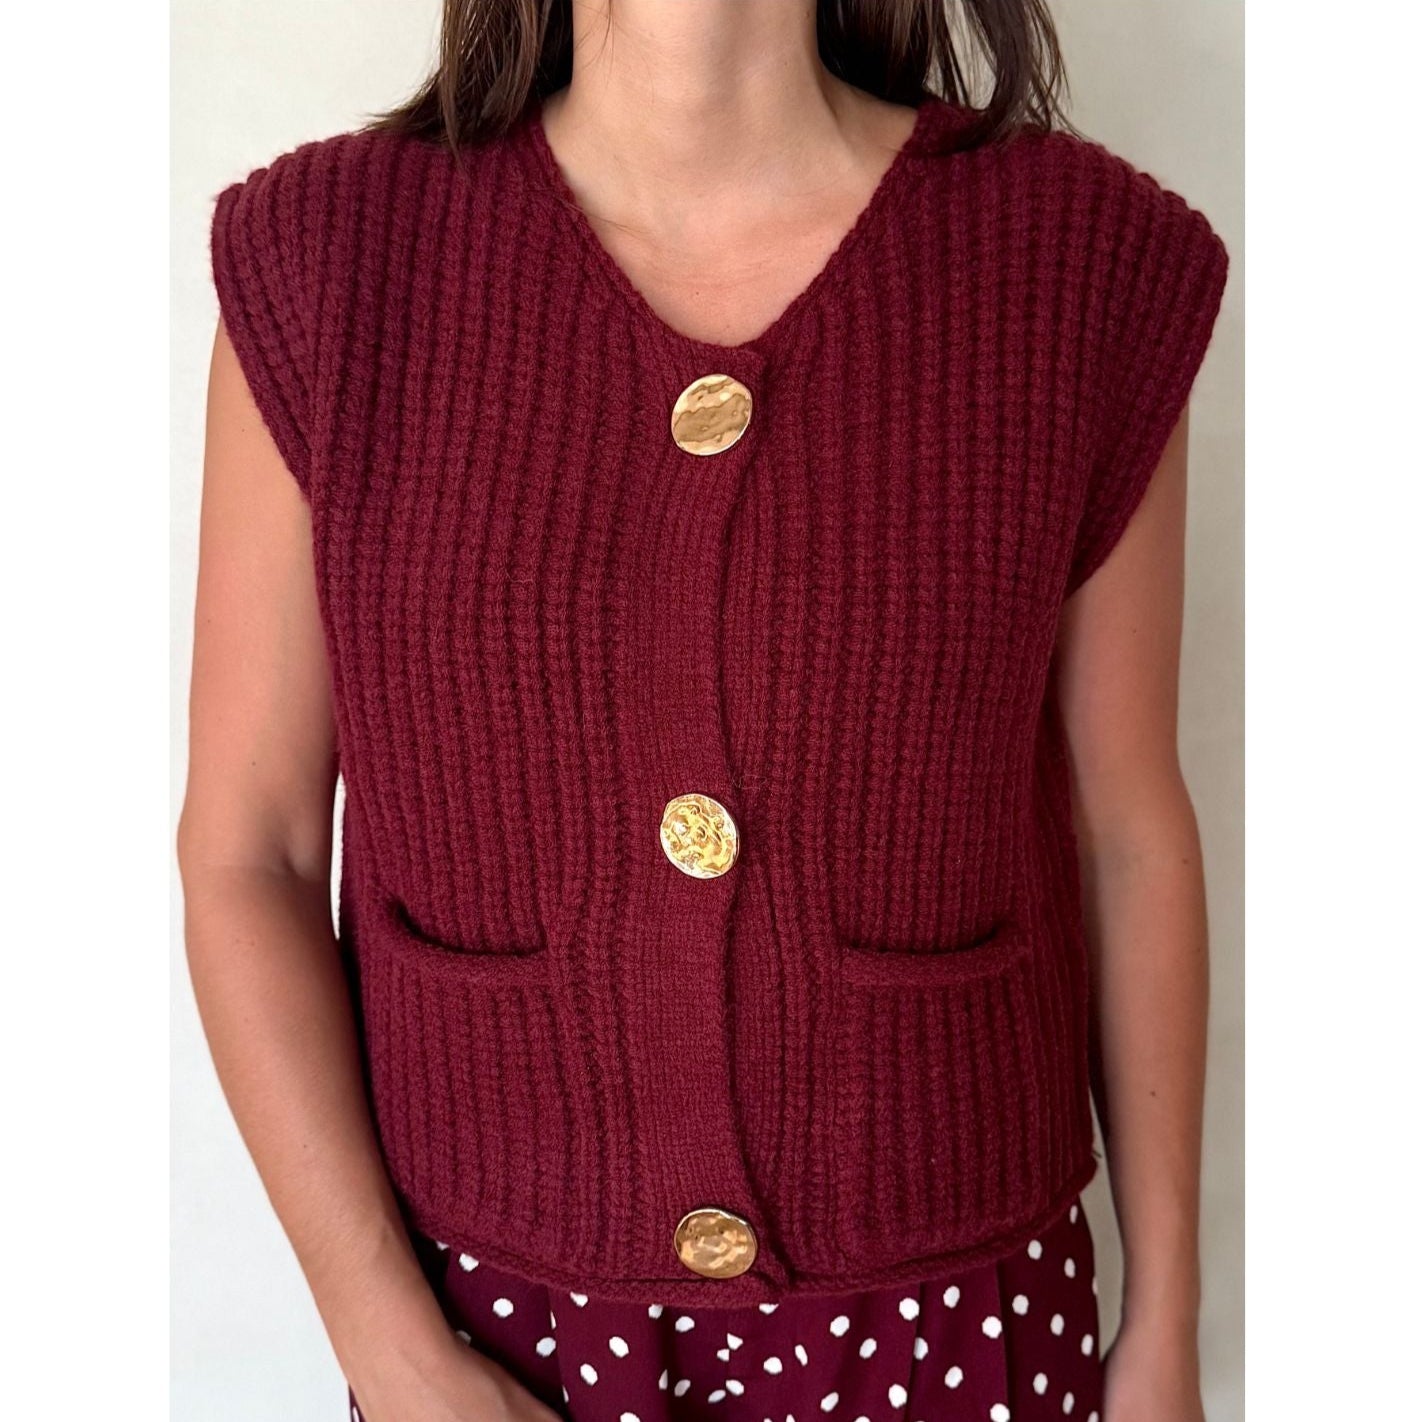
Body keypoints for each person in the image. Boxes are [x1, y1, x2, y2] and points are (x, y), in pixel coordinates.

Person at [179, 1, 1230, 1418]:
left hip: (960, 1315)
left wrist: (1166, 1318)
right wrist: (395, 1354)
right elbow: (249, 851)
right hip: (491, 1338)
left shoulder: (1079, 264)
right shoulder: (331, 265)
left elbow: (1127, 832)